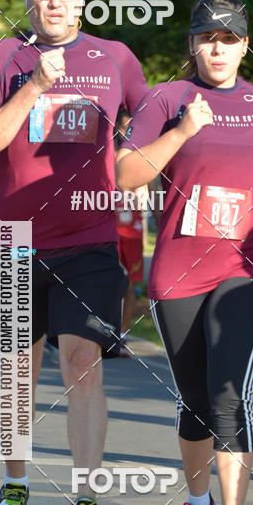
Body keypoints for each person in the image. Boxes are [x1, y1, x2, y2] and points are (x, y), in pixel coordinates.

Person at [0, 0, 148, 505]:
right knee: (19, 370)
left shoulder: (116, 58)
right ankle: (15, 484)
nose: (55, 3)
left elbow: (148, 138)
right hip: (16, 239)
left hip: (89, 233)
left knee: (83, 363)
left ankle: (86, 501)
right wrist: (34, 88)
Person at [116, 0, 253, 505]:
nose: (216, 48)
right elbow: (125, 176)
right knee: (195, 400)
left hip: (246, 265)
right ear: (191, 44)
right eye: (206, 38)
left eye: (228, 38)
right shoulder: (166, 98)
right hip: (177, 268)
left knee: (230, 392)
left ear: (245, 45)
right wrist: (181, 132)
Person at [114, 109, 145, 357]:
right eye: (124, 127)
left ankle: (122, 335)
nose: (128, 132)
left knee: (129, 287)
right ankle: (105, 333)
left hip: (133, 233)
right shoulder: (108, 155)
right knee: (109, 283)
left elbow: (154, 192)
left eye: (131, 127)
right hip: (110, 230)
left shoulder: (146, 156)